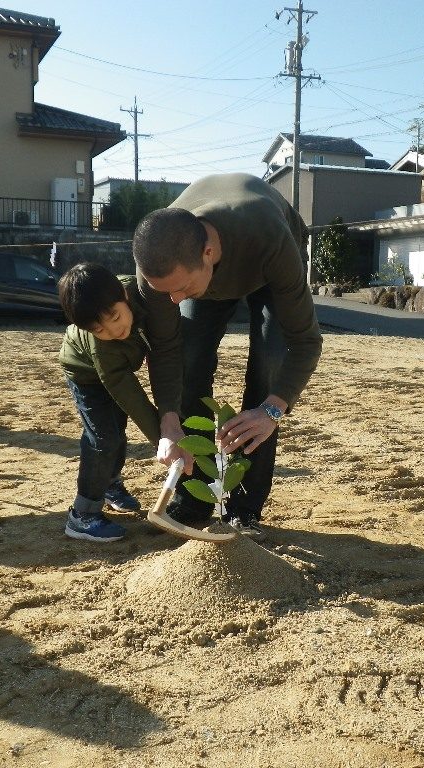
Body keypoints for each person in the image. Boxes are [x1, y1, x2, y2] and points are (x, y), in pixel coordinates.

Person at [132, 172, 322, 539]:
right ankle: (194, 499)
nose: (174, 300)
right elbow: (166, 347)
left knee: (269, 361)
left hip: (264, 258)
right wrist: (169, 424)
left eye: (182, 288)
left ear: (207, 254)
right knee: (189, 356)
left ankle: (245, 508)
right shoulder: (157, 264)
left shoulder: (269, 238)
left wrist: (271, 410)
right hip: (208, 263)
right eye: (165, 292)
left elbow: (306, 342)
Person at [58, 262, 160, 543]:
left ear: (124, 297)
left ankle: (110, 483)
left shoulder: (139, 291)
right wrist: (161, 438)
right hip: (85, 375)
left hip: (117, 370)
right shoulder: (102, 345)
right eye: (99, 329)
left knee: (118, 430)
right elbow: (128, 392)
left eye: (115, 318)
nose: (113, 331)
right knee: (103, 438)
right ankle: (83, 514)